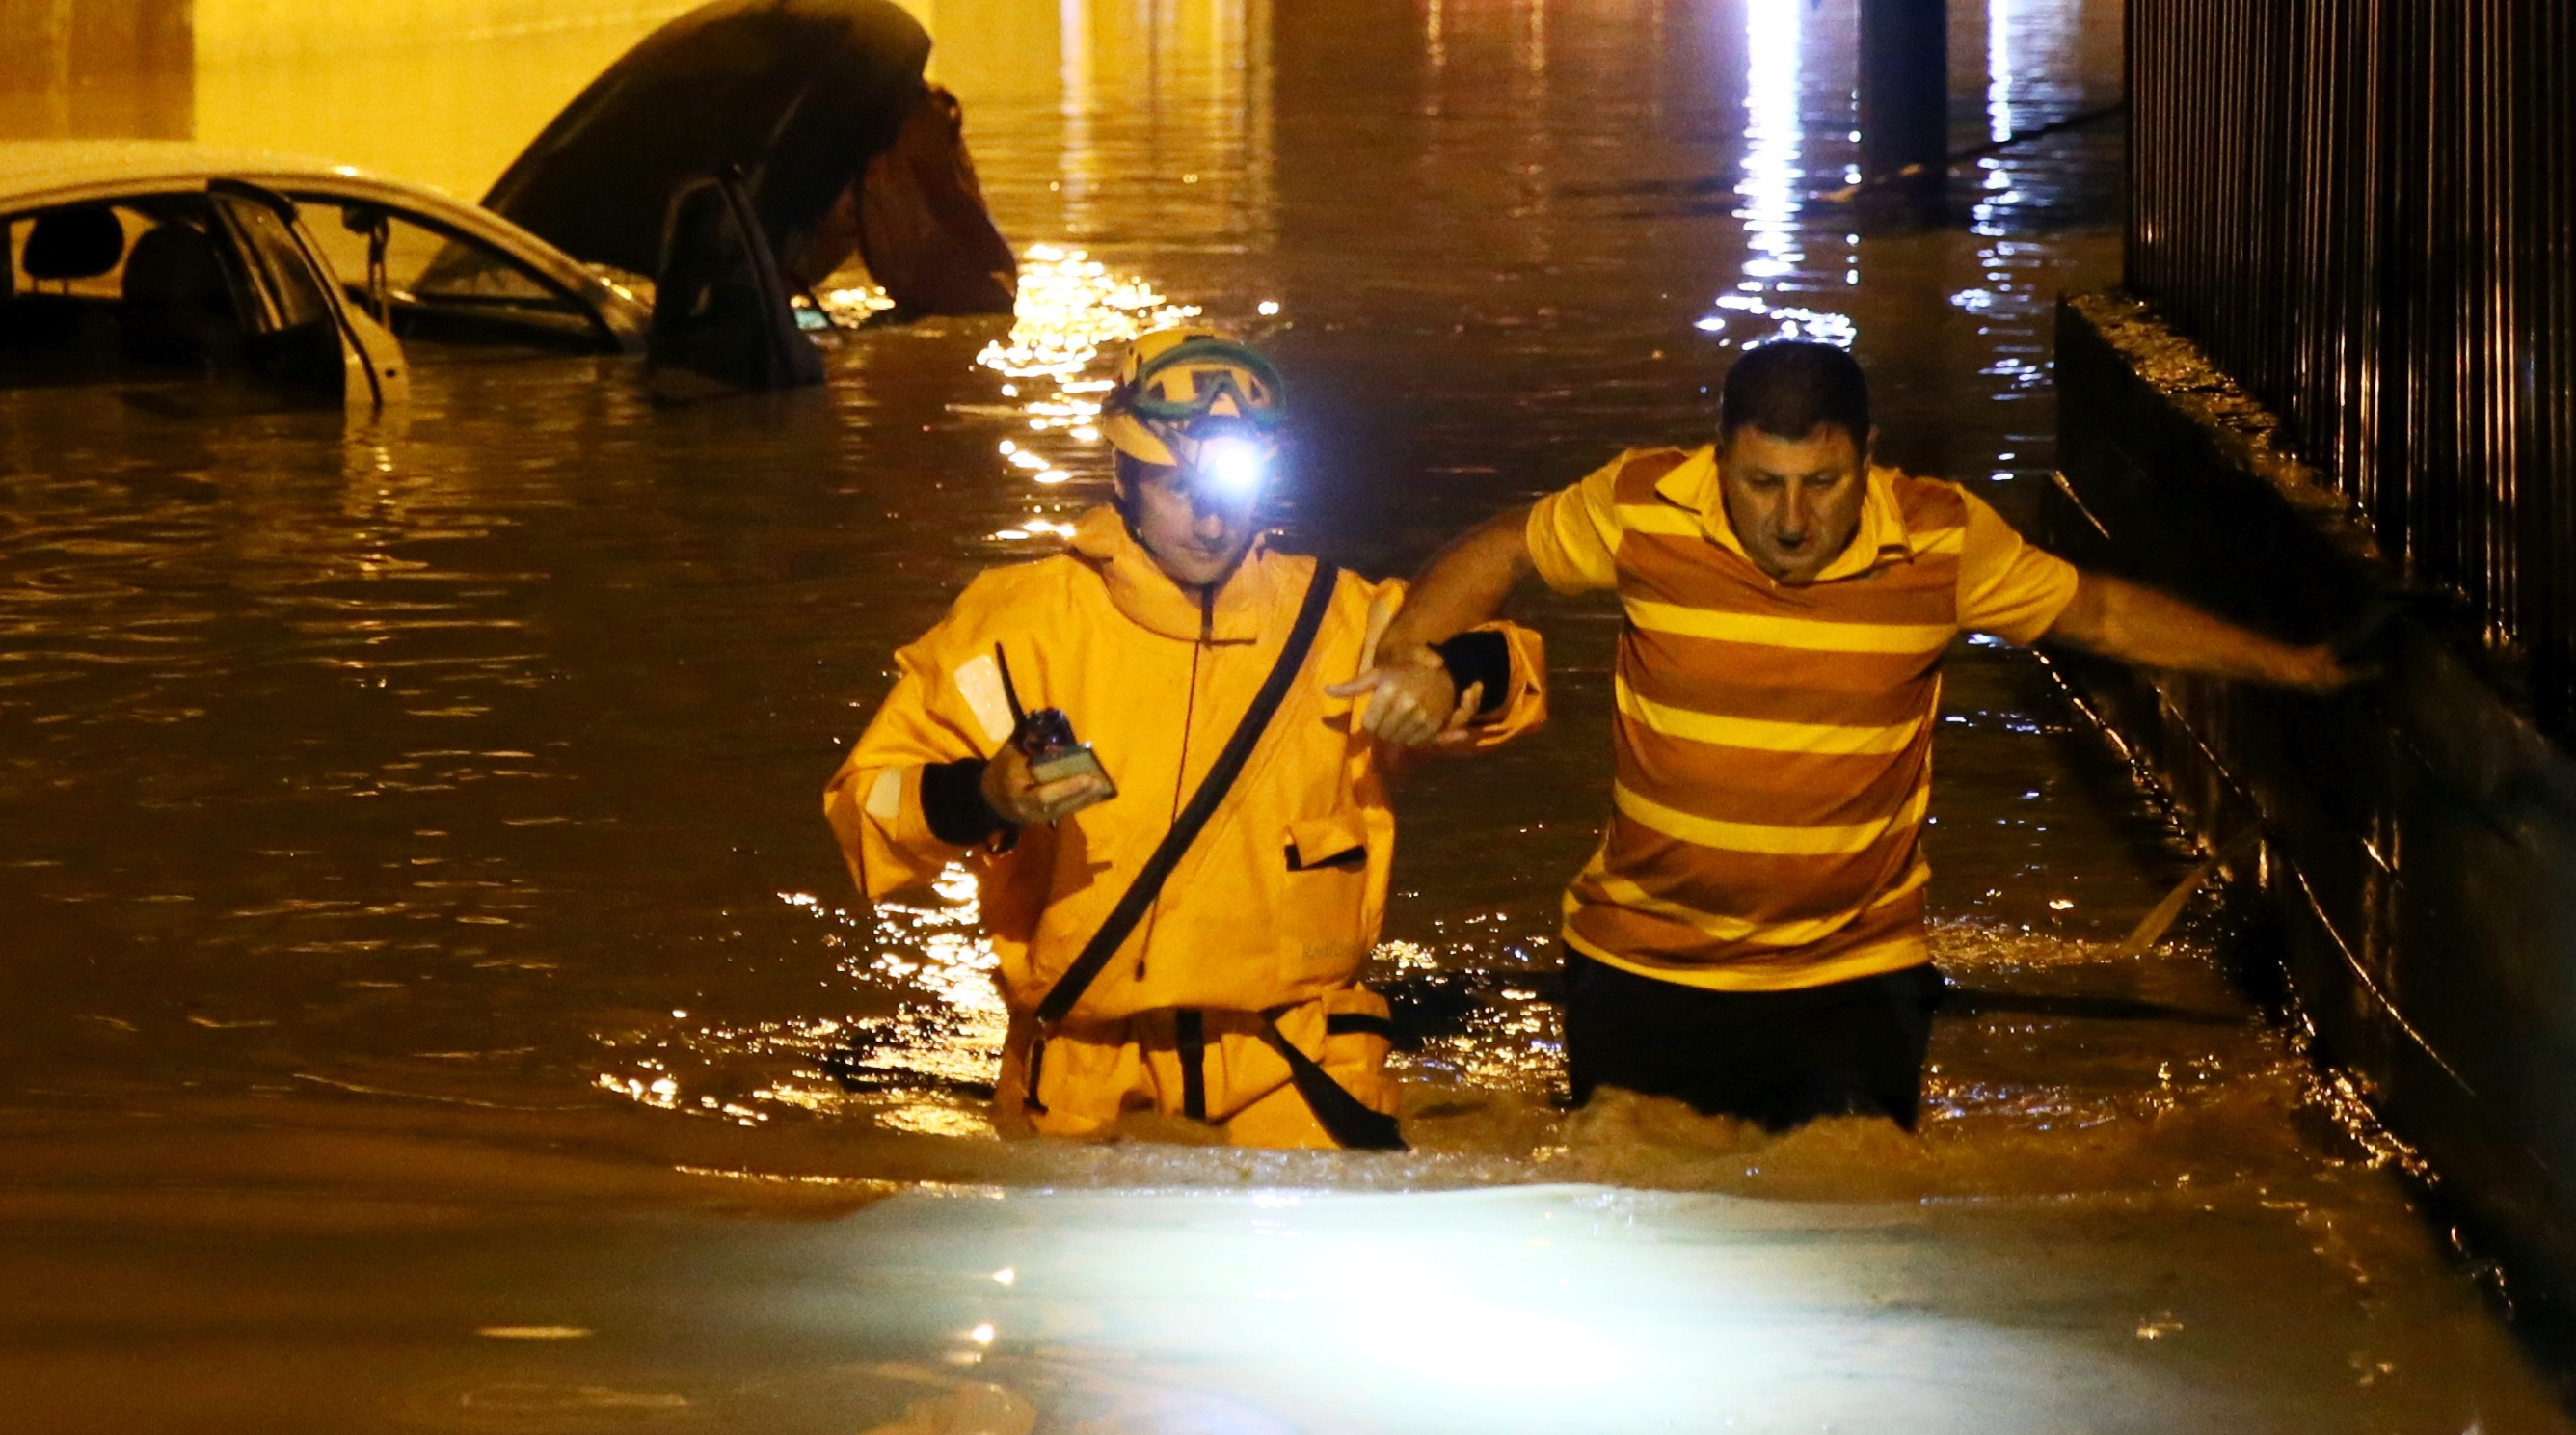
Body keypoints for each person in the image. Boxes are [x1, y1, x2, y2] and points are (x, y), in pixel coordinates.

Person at [1350, 338, 2354, 1134]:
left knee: (1852, 1233)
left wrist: (2299, 668)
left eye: (1820, 483)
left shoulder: (1943, 539)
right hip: (1639, 965)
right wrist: (1409, 652)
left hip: (1852, 982)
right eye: (1760, 482)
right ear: (1718, 459)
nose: (1789, 519)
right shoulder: (1639, 505)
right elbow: (1503, 546)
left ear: (1866, 461)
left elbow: (2103, 616)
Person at [825, 328, 1545, 1149]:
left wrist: (1447, 675)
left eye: (1229, 489)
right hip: (1082, 1069)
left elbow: (1517, 671)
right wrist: (981, 795)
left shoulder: (1336, 619)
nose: (1209, 522)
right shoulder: (1019, 625)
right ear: (1122, 475)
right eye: (1176, 489)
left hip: (1301, 1064)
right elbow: (863, 805)